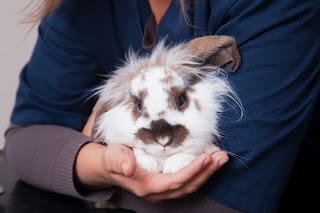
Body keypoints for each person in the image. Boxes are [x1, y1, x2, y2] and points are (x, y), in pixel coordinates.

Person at [3, 0, 319, 212]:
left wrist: (79, 144)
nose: (162, 137)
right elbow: (24, 142)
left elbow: (227, 199)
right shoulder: (80, 9)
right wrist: (103, 163)